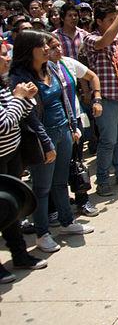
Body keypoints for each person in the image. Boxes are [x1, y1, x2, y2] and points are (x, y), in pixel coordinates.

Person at [11, 31, 93, 253]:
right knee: (42, 187)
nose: (48, 49)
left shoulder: (51, 68)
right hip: (41, 137)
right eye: (42, 46)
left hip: (63, 131)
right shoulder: (20, 78)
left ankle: (67, 222)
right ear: (29, 50)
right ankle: (42, 233)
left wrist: (72, 126)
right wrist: (46, 143)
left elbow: (64, 98)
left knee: (60, 182)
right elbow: (30, 117)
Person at [0, 41, 48, 283]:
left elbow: (19, 114)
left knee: (10, 209)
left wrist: (26, 98)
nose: (7, 58)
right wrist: (19, 98)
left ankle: (19, 254)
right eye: (2, 55)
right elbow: (4, 124)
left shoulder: (4, 84)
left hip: (10, 156)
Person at [83, 0, 118, 197]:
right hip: (107, 99)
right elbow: (103, 42)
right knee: (108, 141)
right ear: (99, 21)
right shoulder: (91, 38)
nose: (115, 21)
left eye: (115, 18)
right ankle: (102, 180)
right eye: (110, 19)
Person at [48, 37, 104, 218]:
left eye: (59, 45)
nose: (58, 49)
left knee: (77, 162)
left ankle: (82, 200)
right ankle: (54, 207)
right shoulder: (40, 69)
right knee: (54, 168)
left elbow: (92, 76)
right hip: (53, 124)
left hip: (74, 120)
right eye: (53, 47)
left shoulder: (68, 63)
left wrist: (97, 98)